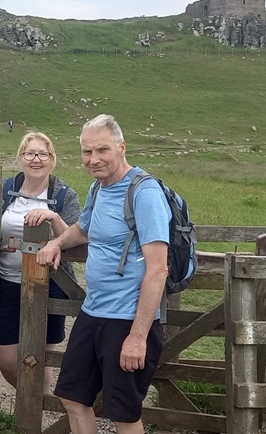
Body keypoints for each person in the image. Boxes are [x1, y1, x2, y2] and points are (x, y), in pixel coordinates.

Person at [37, 114, 169, 434]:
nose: (93, 159)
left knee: (124, 414)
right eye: (86, 152)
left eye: (102, 150)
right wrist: (57, 242)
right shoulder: (99, 188)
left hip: (128, 319)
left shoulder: (144, 192)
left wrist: (137, 338)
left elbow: (158, 269)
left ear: (121, 148)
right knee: (71, 397)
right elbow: (83, 229)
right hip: (93, 312)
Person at [0, 132, 80, 391]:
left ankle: (37, 415)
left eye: (43, 154)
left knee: (41, 358)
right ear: (20, 158)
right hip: (7, 282)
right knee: (6, 356)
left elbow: (75, 237)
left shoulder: (65, 194)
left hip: (51, 283)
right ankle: (32, 401)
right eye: (30, 154)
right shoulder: (5, 189)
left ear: (52, 160)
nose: (36, 160)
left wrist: (53, 218)